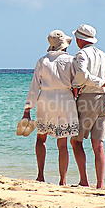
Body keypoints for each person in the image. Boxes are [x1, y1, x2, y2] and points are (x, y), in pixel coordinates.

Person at [23, 30, 79, 185]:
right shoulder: (71, 61)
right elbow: (76, 84)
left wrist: (27, 109)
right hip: (65, 99)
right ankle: (63, 180)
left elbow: (34, 86)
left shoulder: (42, 61)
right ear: (65, 46)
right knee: (62, 143)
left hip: (45, 99)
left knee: (41, 138)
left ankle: (40, 175)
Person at [70, 24, 105, 189]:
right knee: (98, 144)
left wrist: (77, 85)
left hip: (88, 97)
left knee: (76, 141)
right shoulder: (103, 55)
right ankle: (100, 184)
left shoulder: (81, 54)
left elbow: (82, 75)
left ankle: (84, 180)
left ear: (79, 39)